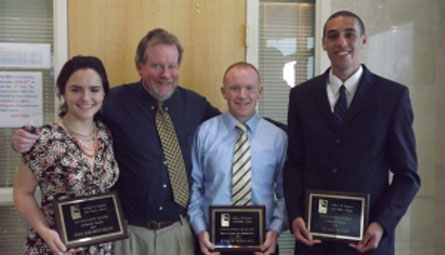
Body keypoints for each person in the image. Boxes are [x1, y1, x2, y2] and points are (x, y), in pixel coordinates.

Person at [13, 28, 220, 255]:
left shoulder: (195, 104)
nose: (166, 74)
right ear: (139, 66)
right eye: (157, 65)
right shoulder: (112, 102)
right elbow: (71, 124)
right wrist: (25, 138)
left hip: (178, 232)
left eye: (172, 66)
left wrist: (265, 127)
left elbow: (230, 128)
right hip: (127, 234)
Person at [283, 10, 421, 255]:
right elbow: (294, 164)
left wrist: (382, 224)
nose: (341, 42)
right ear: (324, 43)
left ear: (363, 40)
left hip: (367, 242)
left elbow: (407, 175)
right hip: (314, 242)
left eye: (350, 35)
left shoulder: (392, 97)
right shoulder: (301, 96)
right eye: (333, 36)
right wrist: (294, 215)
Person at [13, 56, 119, 255]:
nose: (86, 98)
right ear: (63, 92)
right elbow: (22, 192)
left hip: (100, 246)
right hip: (56, 246)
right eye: (76, 89)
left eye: (94, 90)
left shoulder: (107, 135)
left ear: (104, 93)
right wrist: (45, 231)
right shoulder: (44, 139)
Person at [188, 62, 287, 255]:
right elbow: (194, 187)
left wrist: (275, 230)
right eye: (235, 88)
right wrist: (200, 231)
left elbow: (285, 193)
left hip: (262, 244)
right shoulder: (205, 133)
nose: (242, 95)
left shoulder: (277, 138)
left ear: (260, 91)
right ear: (223, 92)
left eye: (249, 88)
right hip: (212, 244)